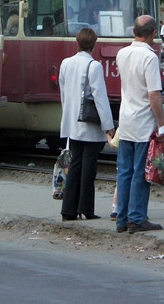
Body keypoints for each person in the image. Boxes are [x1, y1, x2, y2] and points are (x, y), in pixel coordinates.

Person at [115, 15, 164, 234]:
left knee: (124, 172)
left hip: (125, 120)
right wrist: (162, 124)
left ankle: (121, 218)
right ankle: (136, 218)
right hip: (144, 123)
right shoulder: (150, 57)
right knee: (141, 172)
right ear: (154, 33)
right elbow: (153, 94)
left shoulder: (122, 53)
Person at [59, 28, 115, 221]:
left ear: (77, 42)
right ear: (94, 43)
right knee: (89, 168)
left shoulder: (65, 63)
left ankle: (68, 210)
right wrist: (109, 125)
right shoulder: (94, 66)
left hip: (72, 123)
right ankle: (86, 208)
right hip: (89, 125)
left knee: (75, 165)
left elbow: (64, 93)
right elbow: (100, 98)